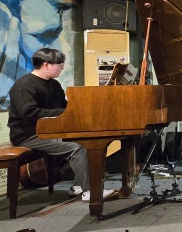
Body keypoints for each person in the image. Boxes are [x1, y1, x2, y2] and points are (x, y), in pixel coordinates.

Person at [7, 48, 113, 202]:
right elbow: (30, 113)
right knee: (78, 147)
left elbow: (64, 107)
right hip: (28, 135)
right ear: (46, 64)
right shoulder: (24, 85)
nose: (62, 68)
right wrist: (65, 112)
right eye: (60, 65)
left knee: (91, 142)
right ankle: (90, 192)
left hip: (49, 130)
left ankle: (78, 186)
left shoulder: (54, 84)